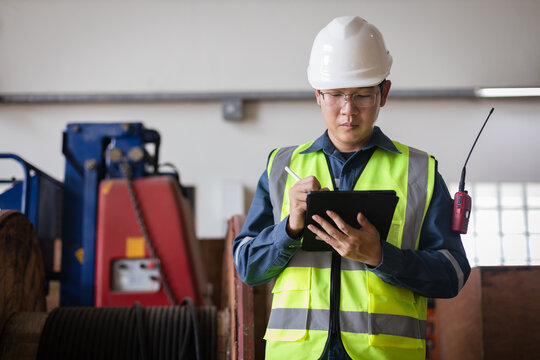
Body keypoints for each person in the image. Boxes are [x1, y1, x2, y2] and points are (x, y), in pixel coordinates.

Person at [233, 15, 470, 360]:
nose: (348, 111)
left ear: (383, 93)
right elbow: (248, 268)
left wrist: (381, 256)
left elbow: (452, 274)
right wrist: (290, 227)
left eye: (361, 95)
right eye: (335, 95)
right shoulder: (281, 168)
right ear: (318, 95)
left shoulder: (420, 172)